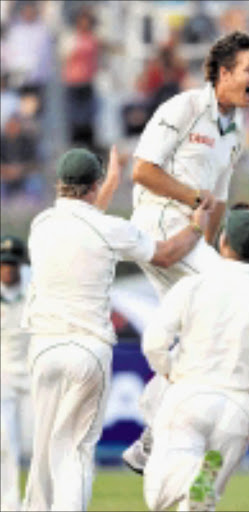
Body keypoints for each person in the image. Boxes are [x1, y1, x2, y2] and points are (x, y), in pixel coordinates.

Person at [21, 146, 209, 512]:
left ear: (59, 184)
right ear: (93, 186)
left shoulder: (40, 224)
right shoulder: (109, 229)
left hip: (43, 350)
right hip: (88, 349)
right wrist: (197, 223)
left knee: (44, 450)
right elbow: (168, 253)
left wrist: (108, 182)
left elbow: (85, 219)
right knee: (75, 451)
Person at [123, 30, 249, 472]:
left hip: (187, 235)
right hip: (156, 224)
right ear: (223, 74)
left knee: (204, 333)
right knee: (232, 299)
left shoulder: (236, 131)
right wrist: (190, 201)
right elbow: (142, 170)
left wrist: (207, 241)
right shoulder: (184, 107)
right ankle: (156, 431)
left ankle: (151, 438)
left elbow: (217, 201)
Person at [142, 204, 249, 511]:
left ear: (223, 242)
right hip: (240, 410)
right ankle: (197, 477)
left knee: (158, 496)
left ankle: (191, 474)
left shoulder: (193, 285)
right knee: (200, 504)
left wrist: (166, 370)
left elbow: (154, 342)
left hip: (190, 394)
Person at [0, 235, 31, 512]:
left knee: (38, 442)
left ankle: (42, 502)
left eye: (12, 264)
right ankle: (9, 505)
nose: (8, 269)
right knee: (5, 441)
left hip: (34, 374)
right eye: (3, 264)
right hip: (4, 377)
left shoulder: (36, 287)